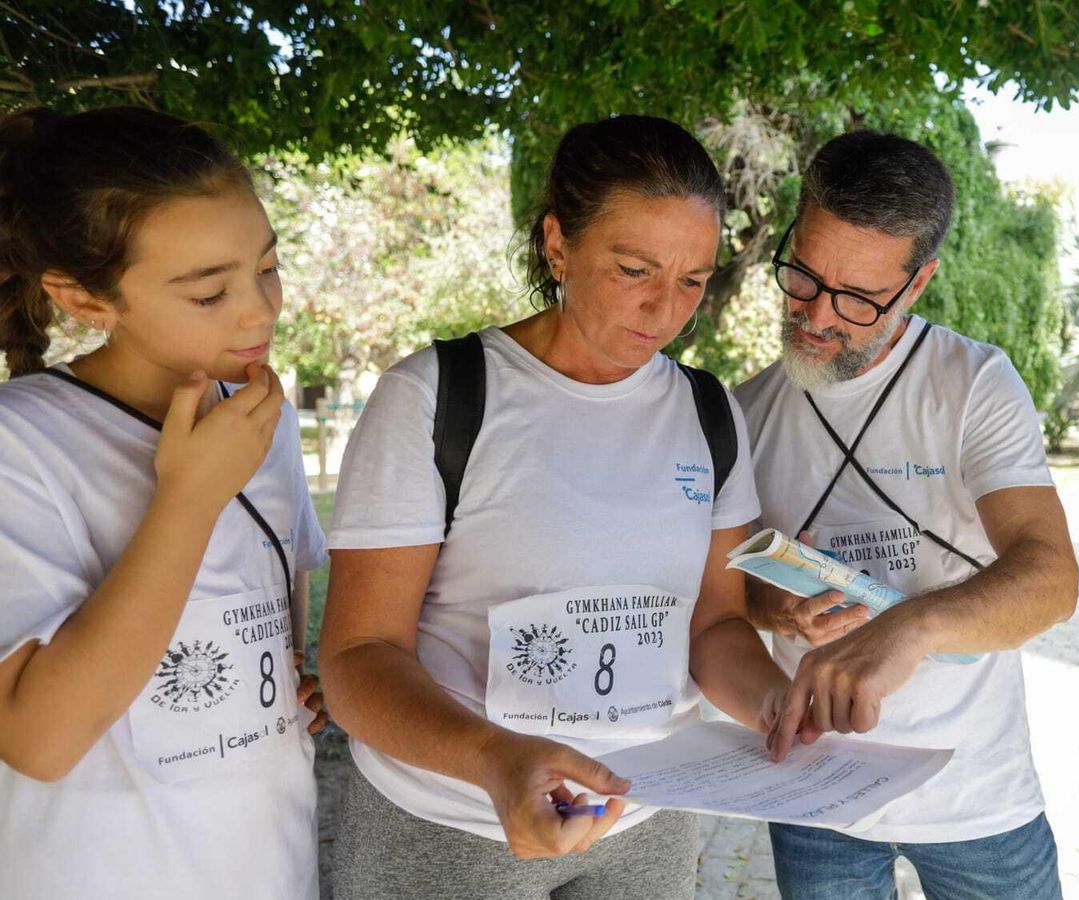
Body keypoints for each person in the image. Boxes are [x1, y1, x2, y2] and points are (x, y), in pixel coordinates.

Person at [319, 114, 789, 900]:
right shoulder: (436, 397)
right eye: (634, 269)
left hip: (643, 816)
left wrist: (777, 704)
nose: (664, 311)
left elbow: (714, 625)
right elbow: (358, 659)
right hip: (449, 823)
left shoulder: (708, 412)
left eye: (693, 280)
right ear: (558, 244)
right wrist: (496, 758)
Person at [737, 130, 1079, 900]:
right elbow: (726, 597)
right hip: (815, 797)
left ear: (918, 284)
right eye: (803, 277)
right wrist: (780, 608)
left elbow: (1052, 577)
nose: (818, 315)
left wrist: (908, 630)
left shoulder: (975, 382)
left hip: (977, 798)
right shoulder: (745, 410)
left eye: (858, 299)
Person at [0, 106, 326, 899]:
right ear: (84, 301)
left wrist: (292, 690)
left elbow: (275, 618)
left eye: (267, 267)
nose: (260, 310)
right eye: (210, 293)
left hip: (267, 865)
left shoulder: (256, 415)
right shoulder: (22, 446)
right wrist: (190, 497)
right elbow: (39, 740)